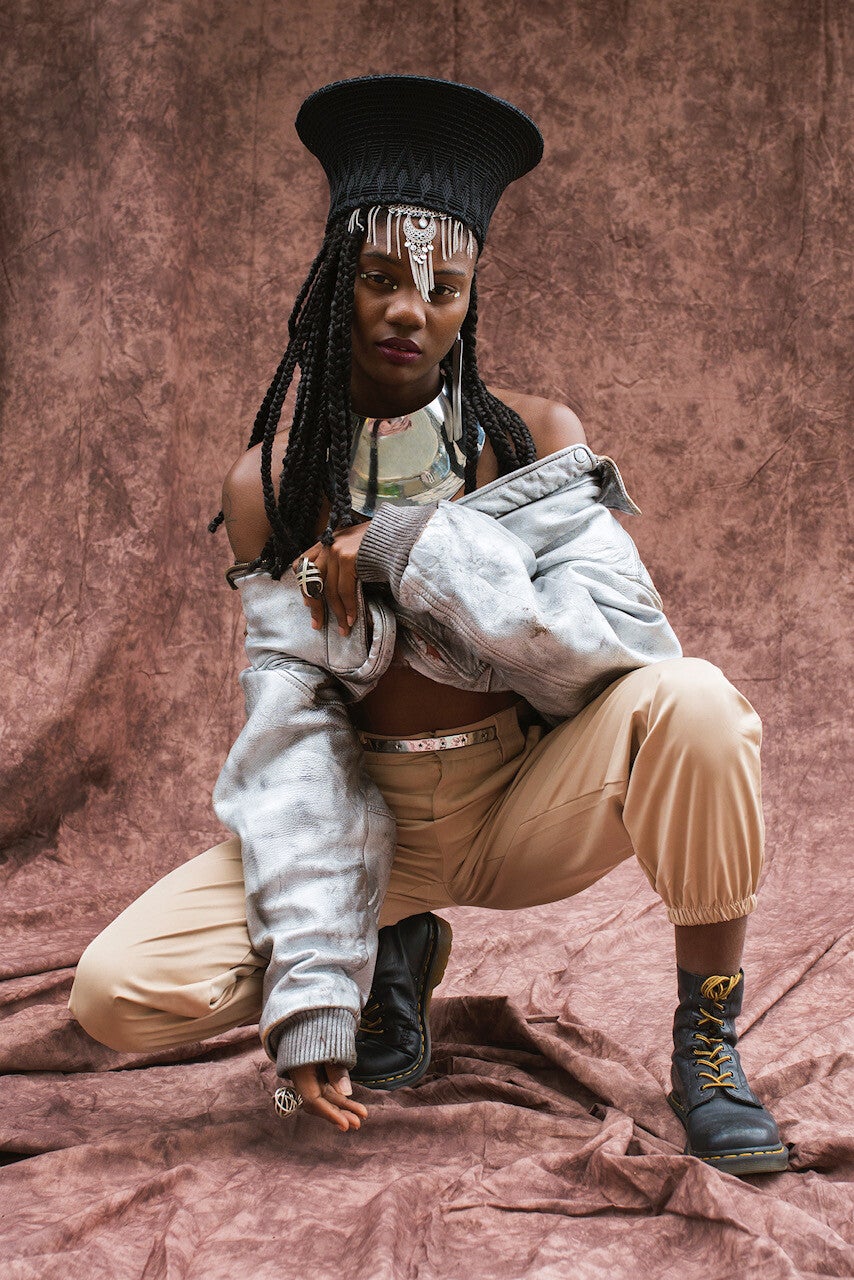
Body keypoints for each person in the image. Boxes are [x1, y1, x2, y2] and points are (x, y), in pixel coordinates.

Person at [69, 75, 788, 1175]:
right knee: (115, 992)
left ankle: (708, 1048)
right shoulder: (268, 486)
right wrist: (312, 989)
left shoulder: (532, 435)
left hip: (527, 797)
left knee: (697, 702)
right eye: (379, 279)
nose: (410, 310)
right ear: (334, 285)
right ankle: (383, 948)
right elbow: (294, 736)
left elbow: (622, 644)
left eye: (443, 287)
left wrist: (415, 545)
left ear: (467, 302)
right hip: (373, 816)